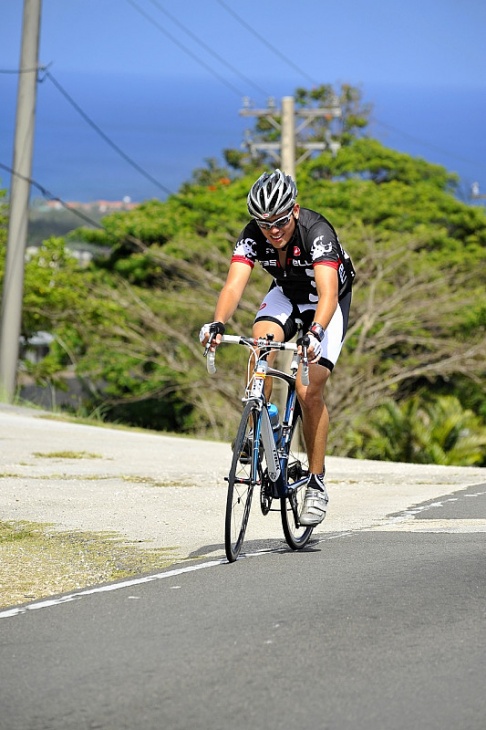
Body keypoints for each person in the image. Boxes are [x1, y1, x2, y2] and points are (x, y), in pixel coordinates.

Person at [199, 169, 354, 526]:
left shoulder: (317, 233)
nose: (273, 230)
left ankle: (316, 483)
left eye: (280, 221)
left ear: (294, 210)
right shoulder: (254, 235)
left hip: (326, 303)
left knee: (307, 389)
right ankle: (260, 418)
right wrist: (218, 322)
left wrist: (315, 333)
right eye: (264, 223)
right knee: (259, 346)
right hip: (286, 293)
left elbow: (329, 293)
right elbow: (234, 286)